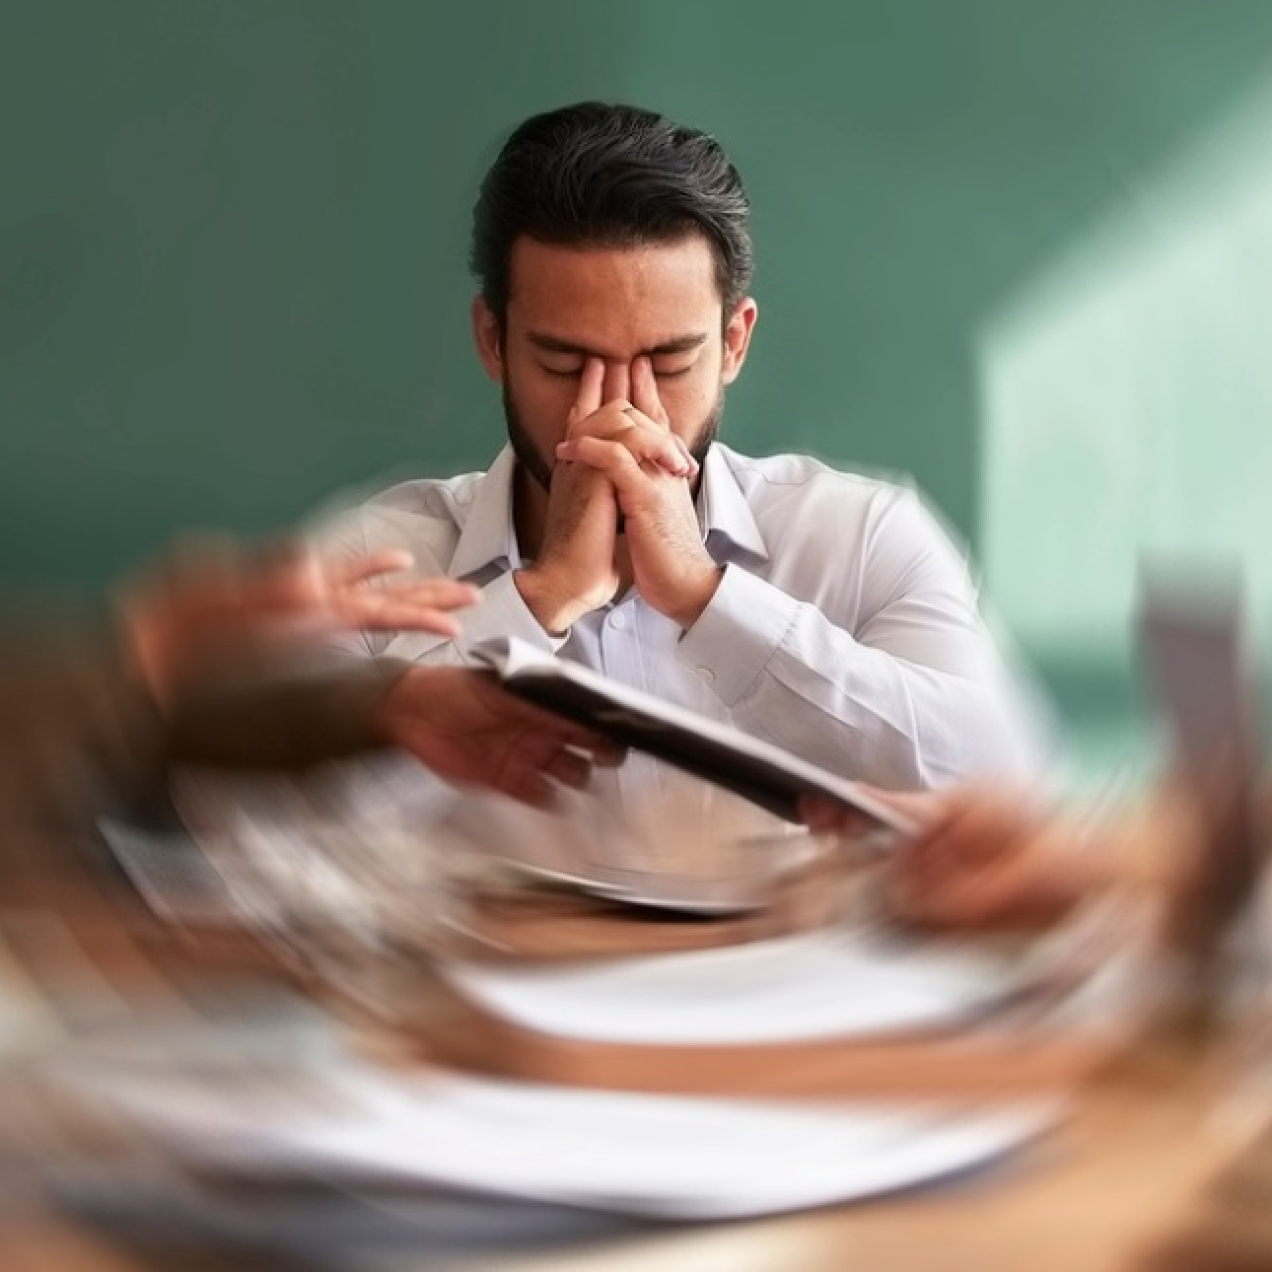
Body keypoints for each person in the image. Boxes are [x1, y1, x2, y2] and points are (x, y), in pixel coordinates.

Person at [314, 100, 1047, 815]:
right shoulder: (375, 562)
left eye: (667, 362)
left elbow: (999, 780)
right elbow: (260, 821)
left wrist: (707, 595)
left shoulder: (861, 538)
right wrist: (543, 597)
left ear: (734, 343)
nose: (623, 415)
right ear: (493, 342)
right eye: (568, 363)